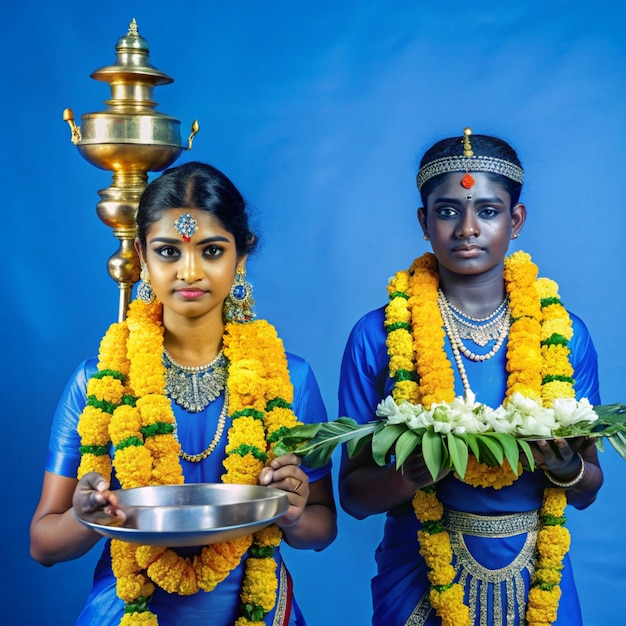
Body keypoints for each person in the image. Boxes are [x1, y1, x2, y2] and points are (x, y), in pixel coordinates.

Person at [30, 161, 337, 626]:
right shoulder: (99, 380)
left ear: (242, 256)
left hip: (257, 609)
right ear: (141, 255)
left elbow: (321, 528)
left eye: (211, 251)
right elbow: (43, 545)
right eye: (169, 252)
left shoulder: (290, 378)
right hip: (128, 610)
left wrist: (293, 511)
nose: (189, 272)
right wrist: (88, 515)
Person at [337, 128, 603, 626]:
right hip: (419, 574)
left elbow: (589, 487)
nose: (466, 228)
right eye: (446, 211)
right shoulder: (377, 335)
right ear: (424, 221)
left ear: (515, 219)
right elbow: (351, 497)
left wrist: (566, 470)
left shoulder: (563, 334)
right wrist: (407, 476)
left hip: (537, 570)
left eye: (487, 210)